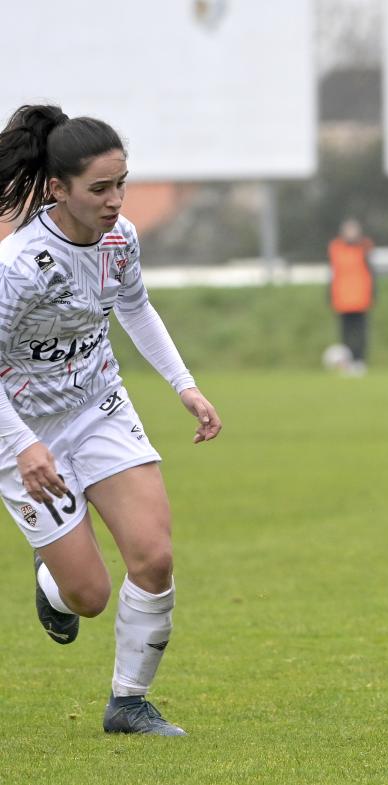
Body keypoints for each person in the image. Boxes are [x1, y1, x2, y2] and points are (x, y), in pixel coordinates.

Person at [0, 105, 222, 736]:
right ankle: (54, 582)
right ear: (57, 189)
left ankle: (129, 703)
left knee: (153, 557)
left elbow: (136, 307)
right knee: (89, 597)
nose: (115, 200)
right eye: (99, 188)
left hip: (98, 407)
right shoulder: (16, 268)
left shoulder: (121, 238)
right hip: (20, 430)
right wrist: (21, 445)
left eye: (121, 183)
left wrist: (185, 386)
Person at [327, 217, 375, 375]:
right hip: (342, 297)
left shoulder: (364, 247)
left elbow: (371, 272)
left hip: (360, 297)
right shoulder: (335, 248)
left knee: (360, 332)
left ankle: (360, 361)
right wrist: (329, 294)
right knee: (345, 333)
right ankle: (346, 363)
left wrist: (373, 292)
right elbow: (333, 273)